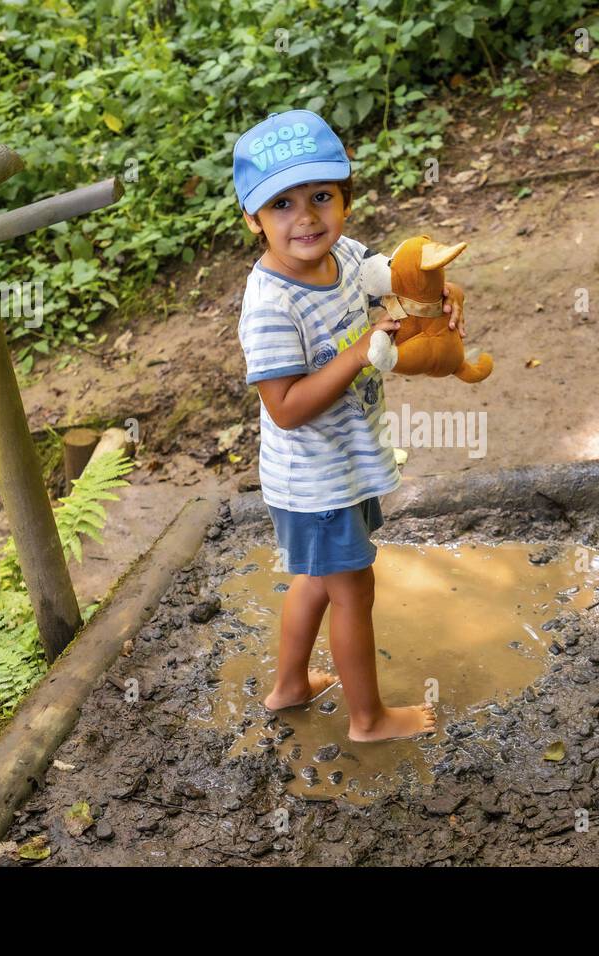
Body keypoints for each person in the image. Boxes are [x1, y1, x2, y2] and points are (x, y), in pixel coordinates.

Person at [232, 109, 465, 741]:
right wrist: (360, 350)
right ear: (254, 220)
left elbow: (391, 290)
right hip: (315, 482)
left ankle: (287, 687)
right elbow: (284, 407)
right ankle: (367, 719)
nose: (305, 217)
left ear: (346, 200)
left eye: (320, 196)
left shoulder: (345, 257)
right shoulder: (272, 304)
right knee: (352, 591)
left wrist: (432, 299)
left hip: (346, 465)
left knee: (316, 579)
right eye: (281, 204)